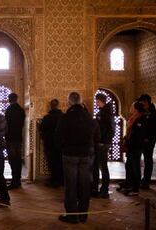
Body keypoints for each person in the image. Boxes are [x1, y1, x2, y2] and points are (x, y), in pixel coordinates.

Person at [58, 92, 100, 224]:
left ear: (69, 102)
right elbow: (97, 137)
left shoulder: (65, 118)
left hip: (70, 155)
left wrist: (64, 148)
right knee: (85, 185)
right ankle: (83, 215)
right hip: (86, 156)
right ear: (81, 102)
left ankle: (72, 216)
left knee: (70, 186)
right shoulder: (89, 118)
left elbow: (57, 139)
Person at [121, 101, 148, 196]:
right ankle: (130, 185)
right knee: (130, 166)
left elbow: (138, 135)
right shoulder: (135, 118)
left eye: (132, 107)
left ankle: (135, 188)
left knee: (135, 167)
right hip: (131, 146)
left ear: (136, 109)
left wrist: (130, 141)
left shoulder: (141, 119)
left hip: (136, 147)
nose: (131, 108)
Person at [137, 94, 156, 189]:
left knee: (148, 161)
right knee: (137, 161)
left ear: (147, 102)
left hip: (149, 141)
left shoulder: (155, 114)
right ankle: (138, 180)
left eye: (142, 102)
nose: (141, 103)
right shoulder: (141, 113)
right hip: (139, 141)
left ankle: (146, 181)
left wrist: (149, 137)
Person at [92, 94, 115, 199]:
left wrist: (103, 142)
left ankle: (104, 190)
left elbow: (111, 130)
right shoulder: (103, 111)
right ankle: (95, 189)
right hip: (99, 143)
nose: (96, 103)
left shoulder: (107, 113)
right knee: (97, 166)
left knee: (103, 167)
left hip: (102, 144)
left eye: (97, 101)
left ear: (101, 101)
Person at [39, 99, 64, 188]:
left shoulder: (47, 117)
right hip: (61, 144)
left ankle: (54, 181)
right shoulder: (63, 117)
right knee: (60, 162)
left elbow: (41, 129)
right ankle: (61, 180)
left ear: (51, 106)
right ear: (58, 105)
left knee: (52, 163)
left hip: (49, 143)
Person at [5, 93, 26, 189]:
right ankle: (18, 180)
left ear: (9, 99)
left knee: (13, 160)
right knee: (18, 160)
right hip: (18, 138)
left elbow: (6, 125)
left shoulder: (9, 110)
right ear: (16, 99)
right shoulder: (21, 110)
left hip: (10, 139)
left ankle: (15, 181)